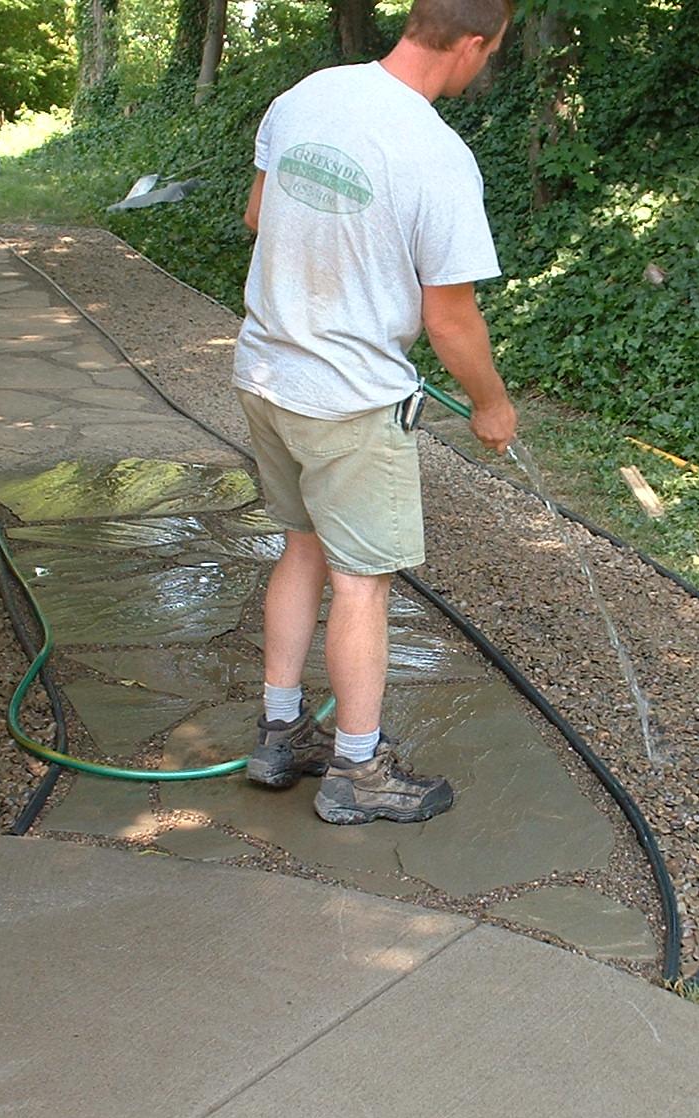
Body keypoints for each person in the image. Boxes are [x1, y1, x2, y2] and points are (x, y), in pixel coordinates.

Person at [236, 0, 517, 825]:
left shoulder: (308, 95)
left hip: (265, 373)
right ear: (471, 43)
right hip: (349, 400)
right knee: (363, 582)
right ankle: (357, 771)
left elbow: (259, 216)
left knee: (301, 549)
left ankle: (280, 733)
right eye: (490, 52)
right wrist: (491, 406)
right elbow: (450, 318)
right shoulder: (437, 155)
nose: (485, 63)